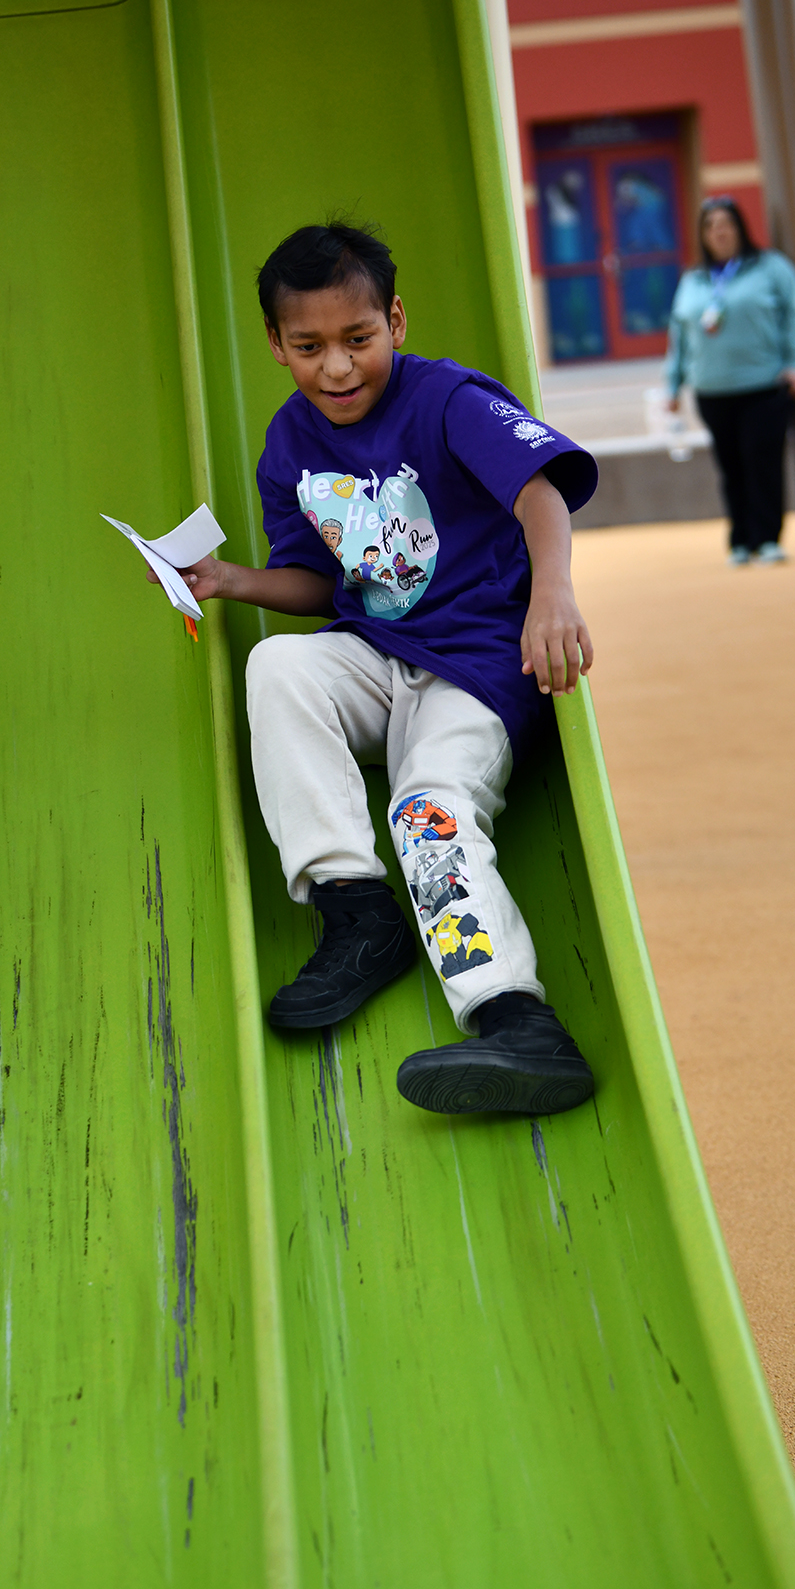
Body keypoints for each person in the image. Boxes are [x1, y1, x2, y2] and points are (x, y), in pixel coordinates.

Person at [150, 221, 599, 1117]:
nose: (339, 367)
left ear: (394, 319)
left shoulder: (446, 401)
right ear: (278, 346)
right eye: (311, 347)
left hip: (475, 666)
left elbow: (537, 490)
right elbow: (321, 581)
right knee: (277, 666)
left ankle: (516, 1020)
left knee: (425, 806)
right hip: (377, 655)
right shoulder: (290, 445)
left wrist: (554, 592)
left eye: (359, 339)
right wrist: (231, 580)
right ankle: (359, 912)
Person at [666, 196, 795, 566]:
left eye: (726, 223)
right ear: (703, 235)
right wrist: (673, 383)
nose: (719, 231)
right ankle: (739, 541)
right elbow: (679, 334)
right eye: (711, 225)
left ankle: (767, 539)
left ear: (740, 228)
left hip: (763, 386)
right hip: (712, 390)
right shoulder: (693, 280)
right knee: (730, 467)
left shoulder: (770, 268)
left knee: (762, 463)